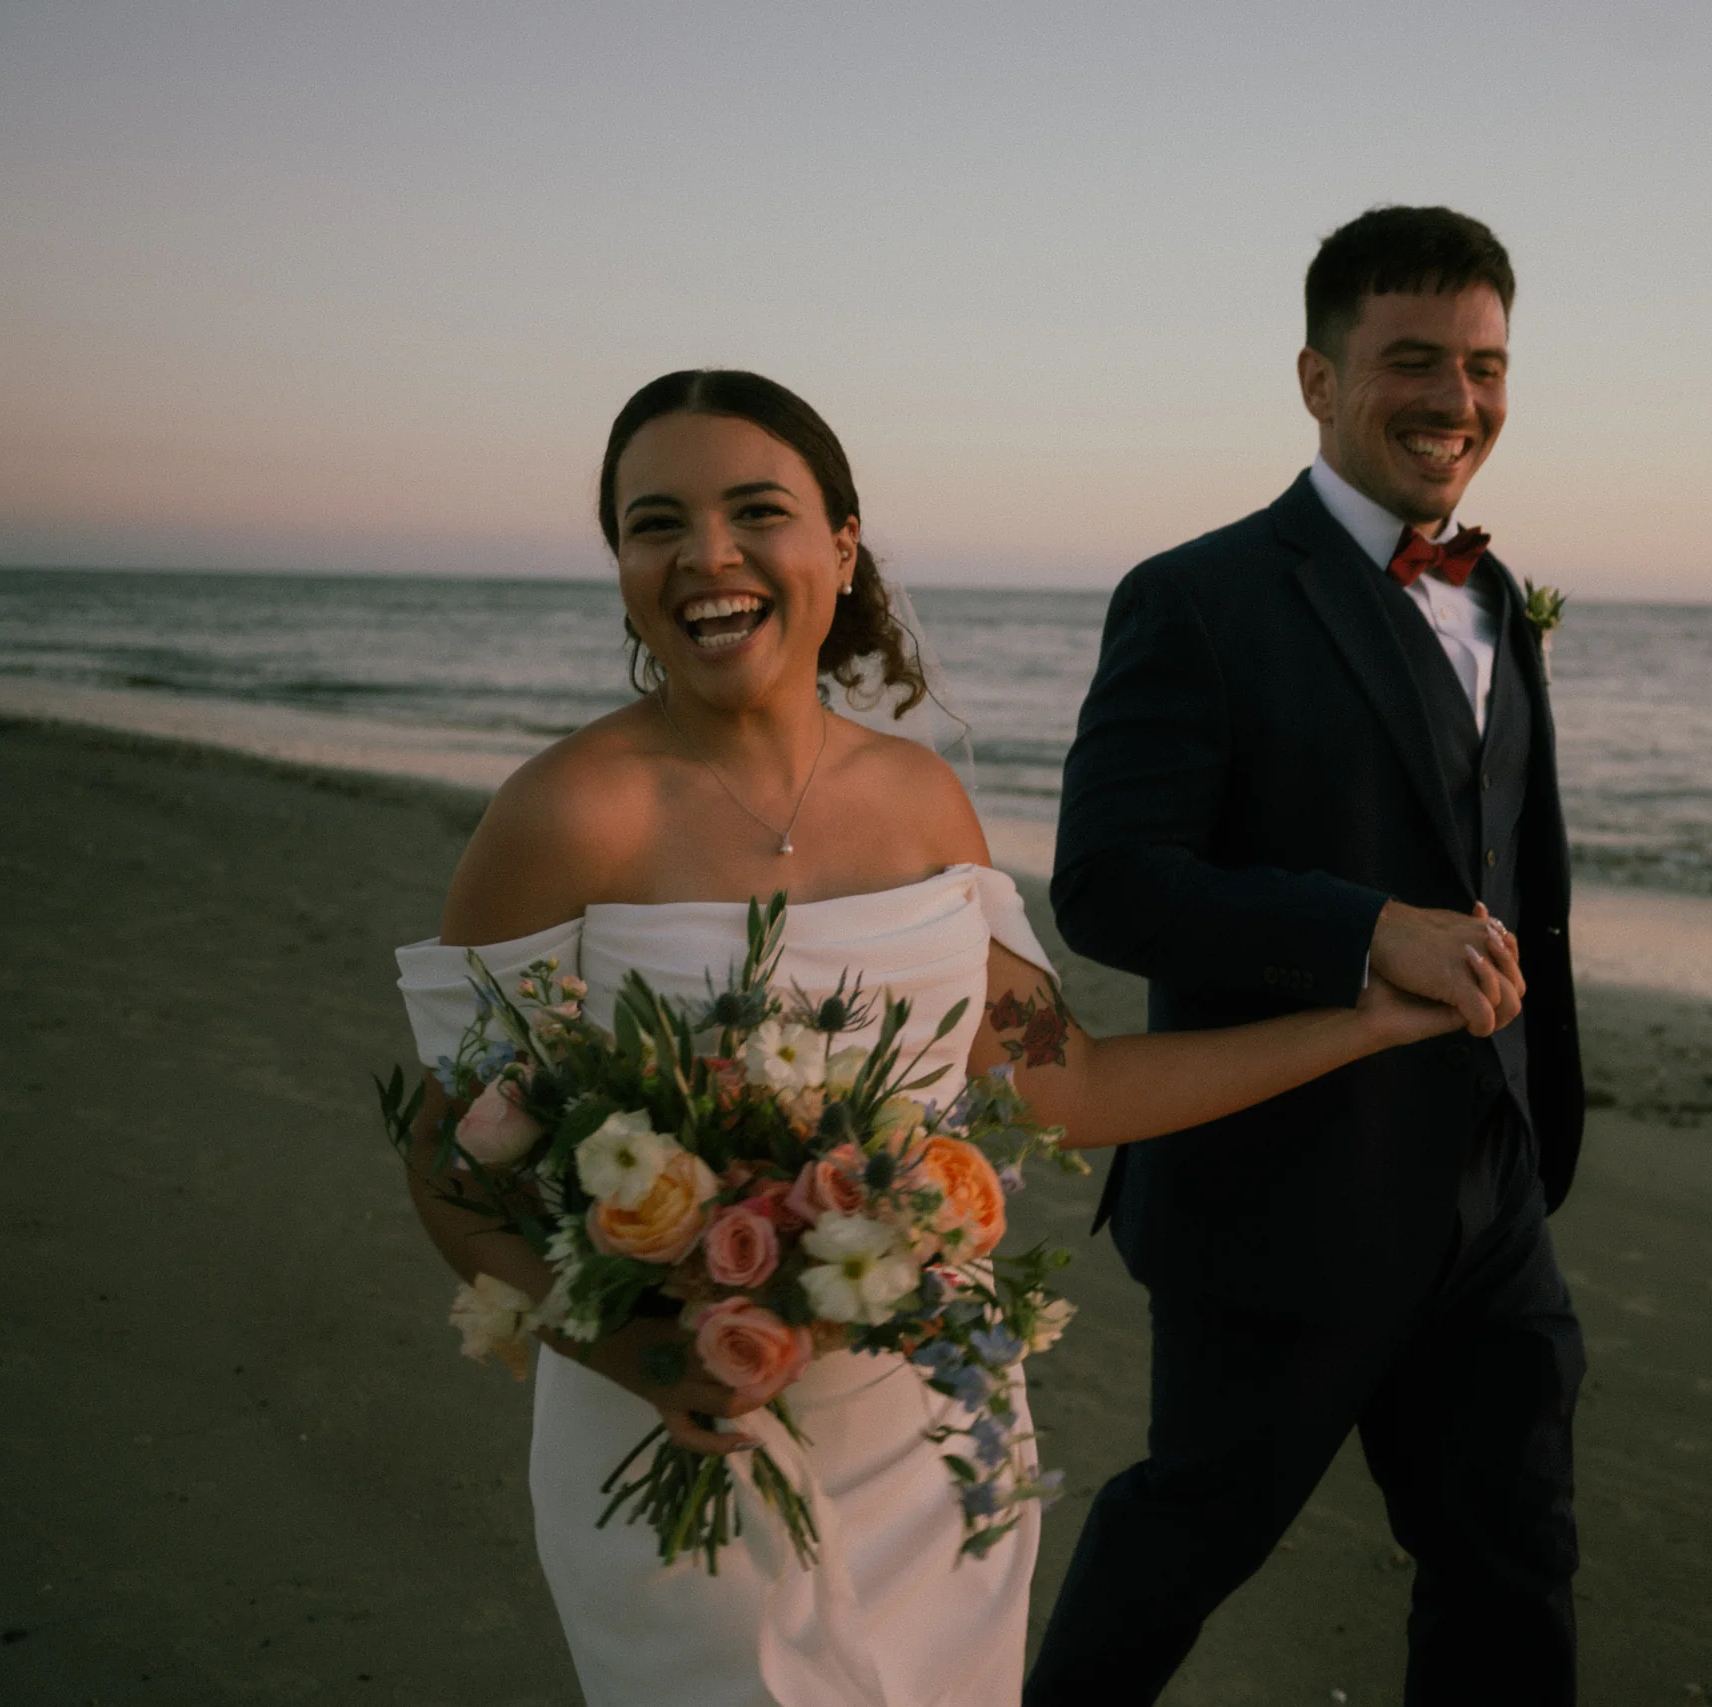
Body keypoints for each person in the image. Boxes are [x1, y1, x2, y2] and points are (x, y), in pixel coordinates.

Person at [391, 367, 1490, 1707]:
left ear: (842, 548)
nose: (707, 557)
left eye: (756, 511)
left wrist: (1363, 1019)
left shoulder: (921, 807)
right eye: (656, 522)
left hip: (933, 1445)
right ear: (622, 563)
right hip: (679, 1438)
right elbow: (453, 1165)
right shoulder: (565, 817)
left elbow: (1064, 1085)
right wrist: (650, 1355)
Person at [1025, 206, 1587, 1705]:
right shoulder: (1195, 600)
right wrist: (1360, 934)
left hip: (1491, 1184)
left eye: (1485, 365)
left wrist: (1536, 1115)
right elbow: (1111, 885)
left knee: (1513, 1560)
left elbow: (1512, 862)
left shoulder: (1494, 600)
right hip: (1278, 1192)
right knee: (1186, 1542)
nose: (1457, 401)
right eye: (1412, 360)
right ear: (1316, 379)